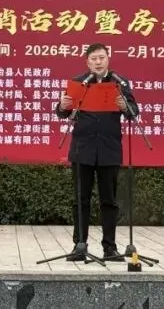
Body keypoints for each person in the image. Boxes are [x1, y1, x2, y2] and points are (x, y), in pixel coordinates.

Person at [54, 42, 139, 262]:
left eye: (101, 58)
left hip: (109, 149)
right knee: (80, 199)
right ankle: (79, 245)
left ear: (108, 59)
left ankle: (110, 248)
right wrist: (62, 105)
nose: (98, 62)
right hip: (82, 149)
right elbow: (62, 113)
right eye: (94, 59)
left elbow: (134, 112)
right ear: (87, 62)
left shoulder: (119, 83)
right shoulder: (78, 82)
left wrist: (124, 107)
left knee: (108, 201)